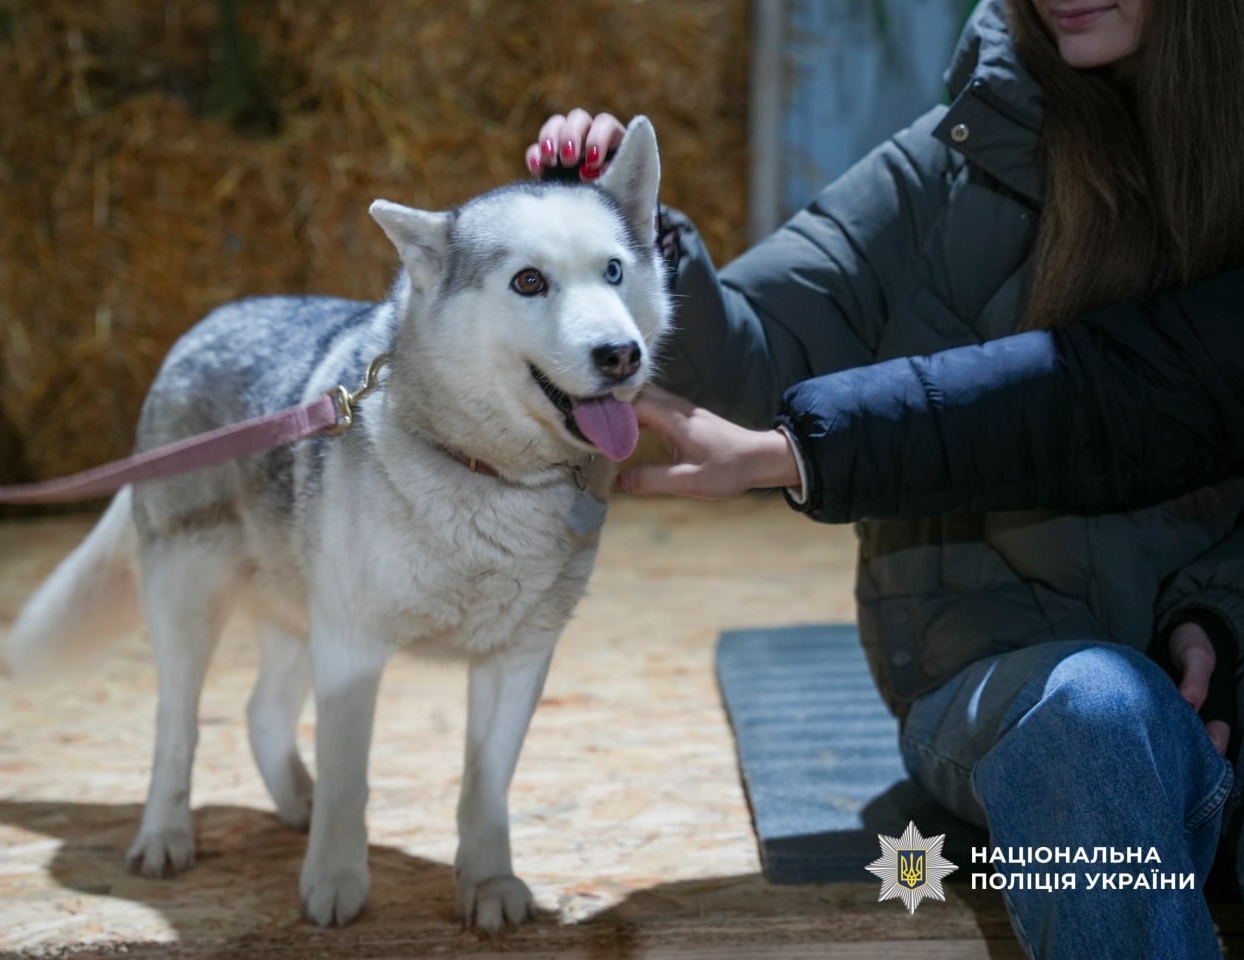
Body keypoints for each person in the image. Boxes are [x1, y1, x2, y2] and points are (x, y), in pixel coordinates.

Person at [527, 1, 1244, 956]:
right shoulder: (951, 159)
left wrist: (1216, 615)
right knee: (1097, 708)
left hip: (1213, 670)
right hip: (1000, 670)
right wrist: (631, 234)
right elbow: (756, 355)